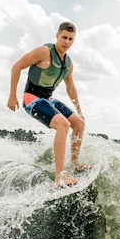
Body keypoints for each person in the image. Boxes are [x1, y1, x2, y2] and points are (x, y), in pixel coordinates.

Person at [7, 21, 89, 188]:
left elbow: (71, 88)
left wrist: (79, 110)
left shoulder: (68, 63)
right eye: (64, 37)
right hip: (32, 99)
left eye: (71, 39)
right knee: (63, 124)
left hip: (48, 98)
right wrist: (12, 95)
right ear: (57, 36)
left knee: (79, 124)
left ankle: (75, 165)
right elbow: (17, 67)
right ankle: (60, 177)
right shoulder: (44, 52)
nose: (67, 42)